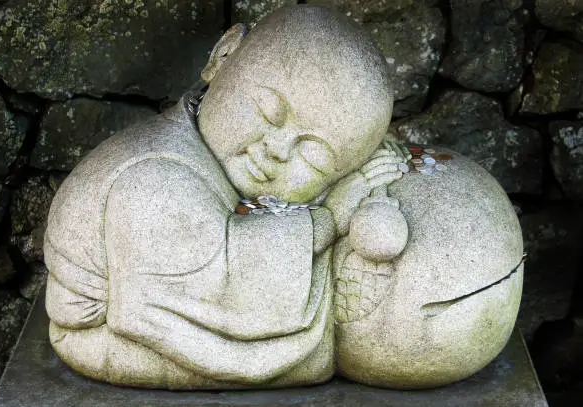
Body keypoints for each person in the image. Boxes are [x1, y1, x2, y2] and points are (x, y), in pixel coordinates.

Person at [45, 5, 524, 390]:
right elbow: (220, 275)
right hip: (105, 332)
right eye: (269, 112)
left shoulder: (203, 154)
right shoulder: (156, 177)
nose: (276, 151)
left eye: (314, 161)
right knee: (309, 342)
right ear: (224, 55)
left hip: (156, 302)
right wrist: (330, 220)